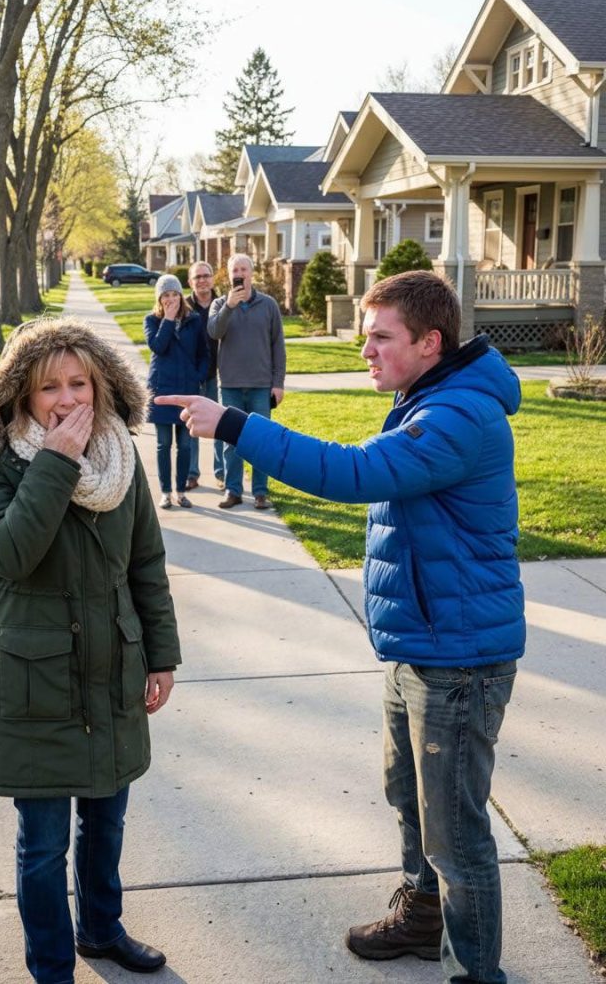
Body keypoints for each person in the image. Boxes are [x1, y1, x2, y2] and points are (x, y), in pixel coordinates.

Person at [157, 270, 525, 984]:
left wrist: (234, 423)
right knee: (410, 799)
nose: (366, 350)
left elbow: (352, 473)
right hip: (423, 645)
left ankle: (477, 974)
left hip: (458, 659)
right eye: (365, 336)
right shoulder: (433, 396)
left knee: (458, 836)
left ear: (429, 341)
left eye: (381, 337)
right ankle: (423, 920)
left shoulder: (458, 416)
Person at [0, 317, 181, 983]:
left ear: (101, 388)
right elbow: (8, 555)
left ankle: (101, 932)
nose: (65, 400)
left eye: (78, 384)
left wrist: (162, 655)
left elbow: (146, 560)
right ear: (20, 398)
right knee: (42, 847)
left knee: (106, 826)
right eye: (47, 387)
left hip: (113, 669)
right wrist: (56, 464)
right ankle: (52, 968)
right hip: (35, 684)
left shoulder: (121, 458)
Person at [207, 252, 286, 510]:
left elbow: (278, 346)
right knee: (232, 443)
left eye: (243, 269)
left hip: (261, 385)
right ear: (229, 275)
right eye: (235, 270)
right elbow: (214, 331)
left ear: (251, 273)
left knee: (261, 440)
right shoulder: (219, 304)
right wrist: (229, 306)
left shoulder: (268, 305)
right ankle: (233, 490)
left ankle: (261, 492)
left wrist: (278, 382)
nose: (239, 274)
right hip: (230, 384)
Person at [144, 274, 208, 509]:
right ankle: (165, 492)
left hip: (187, 390)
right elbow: (158, 346)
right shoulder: (151, 320)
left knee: (185, 445)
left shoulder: (194, 321)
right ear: (159, 299)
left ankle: (181, 491)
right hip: (162, 389)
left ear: (181, 296)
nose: (171, 299)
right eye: (166, 296)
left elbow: (204, 354)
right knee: (163, 444)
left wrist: (198, 376)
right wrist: (168, 320)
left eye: (174, 294)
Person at [185, 260, 224, 491]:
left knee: (221, 424)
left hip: (219, 376)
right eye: (197, 277)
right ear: (190, 282)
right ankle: (191, 473)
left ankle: (221, 473)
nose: (202, 280)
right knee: (192, 426)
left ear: (212, 279)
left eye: (206, 275)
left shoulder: (222, 304)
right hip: (192, 377)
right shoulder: (185, 307)